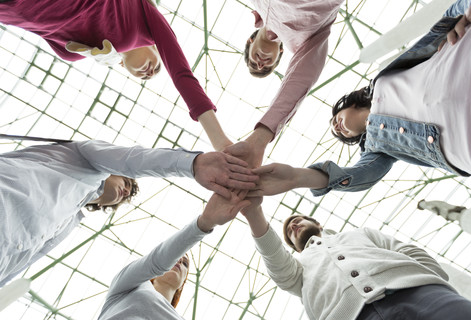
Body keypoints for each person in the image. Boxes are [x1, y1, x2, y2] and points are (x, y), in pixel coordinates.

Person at [247, 0, 471, 198]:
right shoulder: (377, 148)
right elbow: (360, 176)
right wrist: (298, 178)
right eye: (339, 133)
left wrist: (468, 4)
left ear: (346, 104)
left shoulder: (383, 78)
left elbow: (447, 20)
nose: (337, 127)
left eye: (335, 119)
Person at [0, 140, 257, 287]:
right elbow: (133, 158)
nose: (127, 189)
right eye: (127, 181)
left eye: (130, 191)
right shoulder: (78, 157)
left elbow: (19, 261)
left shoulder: (69, 222)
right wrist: (193, 164)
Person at [0, 0, 230, 150]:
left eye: (144, 77)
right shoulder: (145, 17)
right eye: (157, 67)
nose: (149, 72)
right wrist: (220, 141)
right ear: (156, 50)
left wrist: (91, 52)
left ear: (122, 67)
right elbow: (181, 74)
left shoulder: (92, 54)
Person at [241, 201, 471, 320]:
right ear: (292, 247)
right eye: (289, 232)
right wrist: (254, 212)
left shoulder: (359, 233)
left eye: (298, 220)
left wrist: (428, 282)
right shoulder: (297, 270)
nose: (293, 225)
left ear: (318, 223)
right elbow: (275, 260)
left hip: (423, 294)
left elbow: (408, 250)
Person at [224, 0, 345, 168]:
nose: (260, 65)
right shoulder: (304, 42)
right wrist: (261, 137)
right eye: (267, 67)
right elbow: (300, 79)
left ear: (249, 42)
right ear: (280, 52)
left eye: (252, 62)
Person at [98, 190, 251, 319]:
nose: (179, 261)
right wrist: (205, 222)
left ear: (183, 283)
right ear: (154, 274)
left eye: (185, 264)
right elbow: (157, 260)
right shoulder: (129, 285)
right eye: (177, 257)